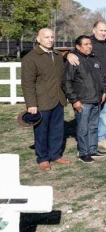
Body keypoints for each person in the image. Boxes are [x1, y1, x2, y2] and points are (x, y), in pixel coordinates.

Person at [21, 28, 71, 171]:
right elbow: (27, 83)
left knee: (57, 130)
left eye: (52, 37)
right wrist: (31, 104)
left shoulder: (57, 55)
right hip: (41, 101)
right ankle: (43, 158)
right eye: (46, 37)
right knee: (41, 131)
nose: (50, 39)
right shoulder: (30, 58)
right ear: (38, 39)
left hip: (58, 99)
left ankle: (55, 155)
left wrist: (69, 55)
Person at [67, 21, 106, 150]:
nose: (103, 33)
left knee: (104, 114)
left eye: (105, 30)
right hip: (92, 87)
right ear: (94, 30)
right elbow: (74, 53)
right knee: (88, 116)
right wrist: (69, 54)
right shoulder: (88, 43)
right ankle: (85, 144)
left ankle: (101, 139)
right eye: (101, 30)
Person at [63, 35, 106, 163]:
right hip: (83, 101)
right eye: (86, 44)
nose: (89, 46)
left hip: (96, 99)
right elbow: (67, 82)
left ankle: (93, 149)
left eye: (90, 44)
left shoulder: (94, 59)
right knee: (83, 128)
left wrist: (104, 91)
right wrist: (74, 100)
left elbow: (101, 77)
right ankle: (83, 152)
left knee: (93, 126)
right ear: (78, 46)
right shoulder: (74, 61)